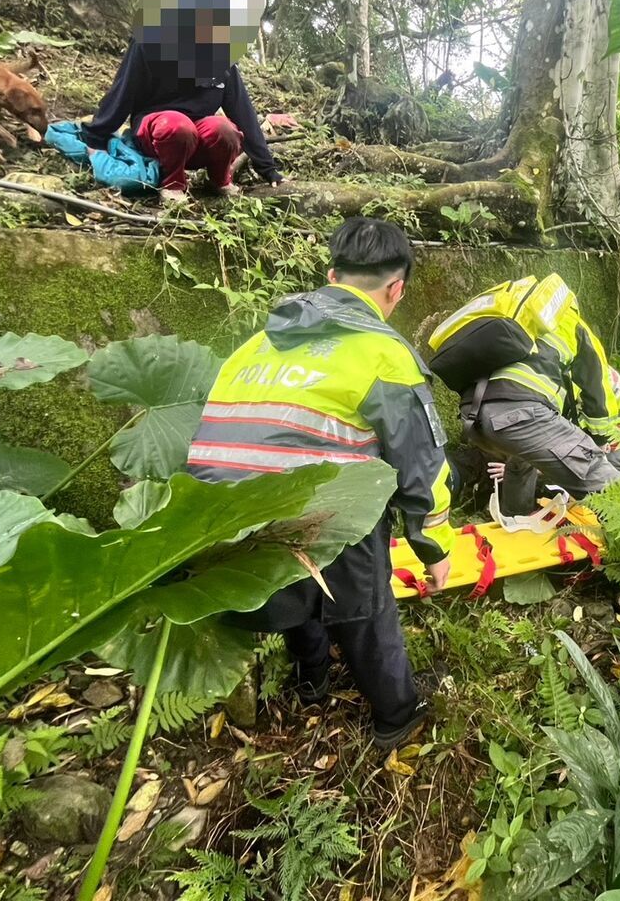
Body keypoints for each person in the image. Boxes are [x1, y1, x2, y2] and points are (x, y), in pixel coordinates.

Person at [187, 217, 454, 751]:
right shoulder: (383, 352)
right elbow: (420, 464)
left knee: (289, 552)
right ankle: (396, 716)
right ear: (396, 288)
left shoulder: (259, 342)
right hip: (310, 518)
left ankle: (312, 679)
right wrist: (433, 547)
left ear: (331, 274)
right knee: (364, 589)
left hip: (216, 518)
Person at [81, 0, 291, 202]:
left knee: (225, 128)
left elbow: (244, 114)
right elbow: (122, 93)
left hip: (198, 140)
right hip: (158, 134)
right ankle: (172, 184)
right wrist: (95, 140)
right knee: (177, 125)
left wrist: (269, 169)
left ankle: (220, 179)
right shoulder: (150, 42)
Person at [459, 277, 620, 516]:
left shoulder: (520, 323)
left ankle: (516, 526)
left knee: (520, 462)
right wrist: (597, 445)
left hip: (473, 416)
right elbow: (599, 398)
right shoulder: (574, 325)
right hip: (521, 412)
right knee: (612, 486)